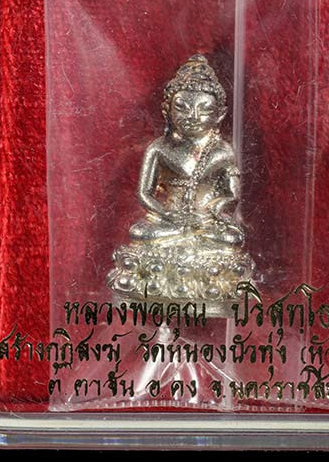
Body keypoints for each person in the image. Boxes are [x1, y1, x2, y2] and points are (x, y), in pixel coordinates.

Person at [108, 54, 255, 311]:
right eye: (183, 108)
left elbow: (232, 194)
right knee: (140, 234)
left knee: (231, 239)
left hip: (206, 221)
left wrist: (214, 209)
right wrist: (168, 215)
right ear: (167, 110)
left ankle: (173, 279)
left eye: (204, 109)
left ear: (220, 114)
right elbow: (144, 193)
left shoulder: (222, 151)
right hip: (167, 220)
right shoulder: (159, 148)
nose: (193, 116)